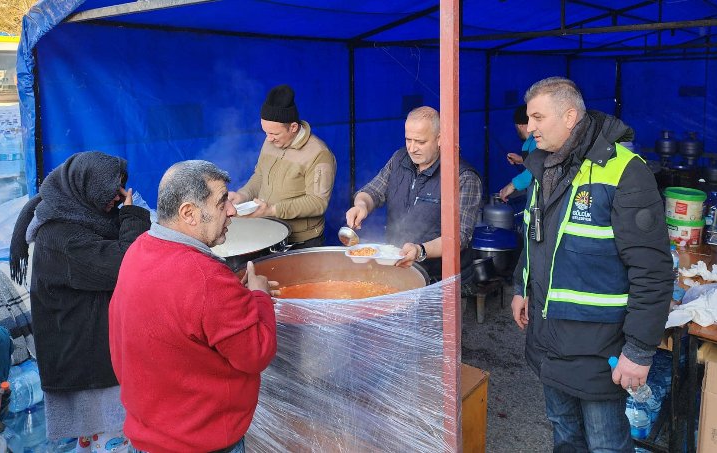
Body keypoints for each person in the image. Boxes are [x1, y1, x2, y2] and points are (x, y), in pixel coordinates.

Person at [509, 77, 672, 452]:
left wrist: (639, 350)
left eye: (537, 117)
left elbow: (653, 270)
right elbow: (536, 235)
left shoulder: (625, 172)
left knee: (605, 444)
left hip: (598, 347)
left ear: (569, 117)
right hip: (549, 340)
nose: (529, 127)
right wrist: (521, 286)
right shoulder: (542, 165)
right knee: (565, 437)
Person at [109, 160, 278, 453]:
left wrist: (233, 298)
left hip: (147, 436)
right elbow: (256, 354)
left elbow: (181, 318)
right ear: (188, 213)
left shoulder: (139, 248)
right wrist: (258, 296)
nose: (233, 210)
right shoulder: (207, 279)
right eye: (222, 201)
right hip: (200, 442)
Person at [9, 151, 150, 452]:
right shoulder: (60, 237)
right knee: (113, 439)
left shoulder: (78, 215)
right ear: (85, 188)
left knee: (103, 440)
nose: (119, 197)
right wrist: (133, 215)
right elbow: (126, 264)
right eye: (112, 191)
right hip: (88, 361)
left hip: (92, 349)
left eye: (121, 187)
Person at [345, 106, 482, 282]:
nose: (412, 148)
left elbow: (459, 238)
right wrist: (361, 206)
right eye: (408, 140)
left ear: (440, 139)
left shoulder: (463, 177)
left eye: (420, 142)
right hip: (398, 267)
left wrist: (420, 250)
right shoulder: (399, 159)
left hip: (440, 279)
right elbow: (372, 191)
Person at [229, 84, 336, 249]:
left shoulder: (319, 154)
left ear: (293, 127)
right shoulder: (271, 140)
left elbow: (317, 203)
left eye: (274, 133)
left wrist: (273, 210)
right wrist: (243, 195)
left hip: (301, 241)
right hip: (267, 232)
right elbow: (260, 175)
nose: (269, 139)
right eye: (265, 132)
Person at [498, 104, 537, 201]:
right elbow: (539, 161)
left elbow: (535, 171)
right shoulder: (532, 142)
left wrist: (511, 186)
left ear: (520, 126)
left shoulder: (537, 141)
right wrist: (521, 160)